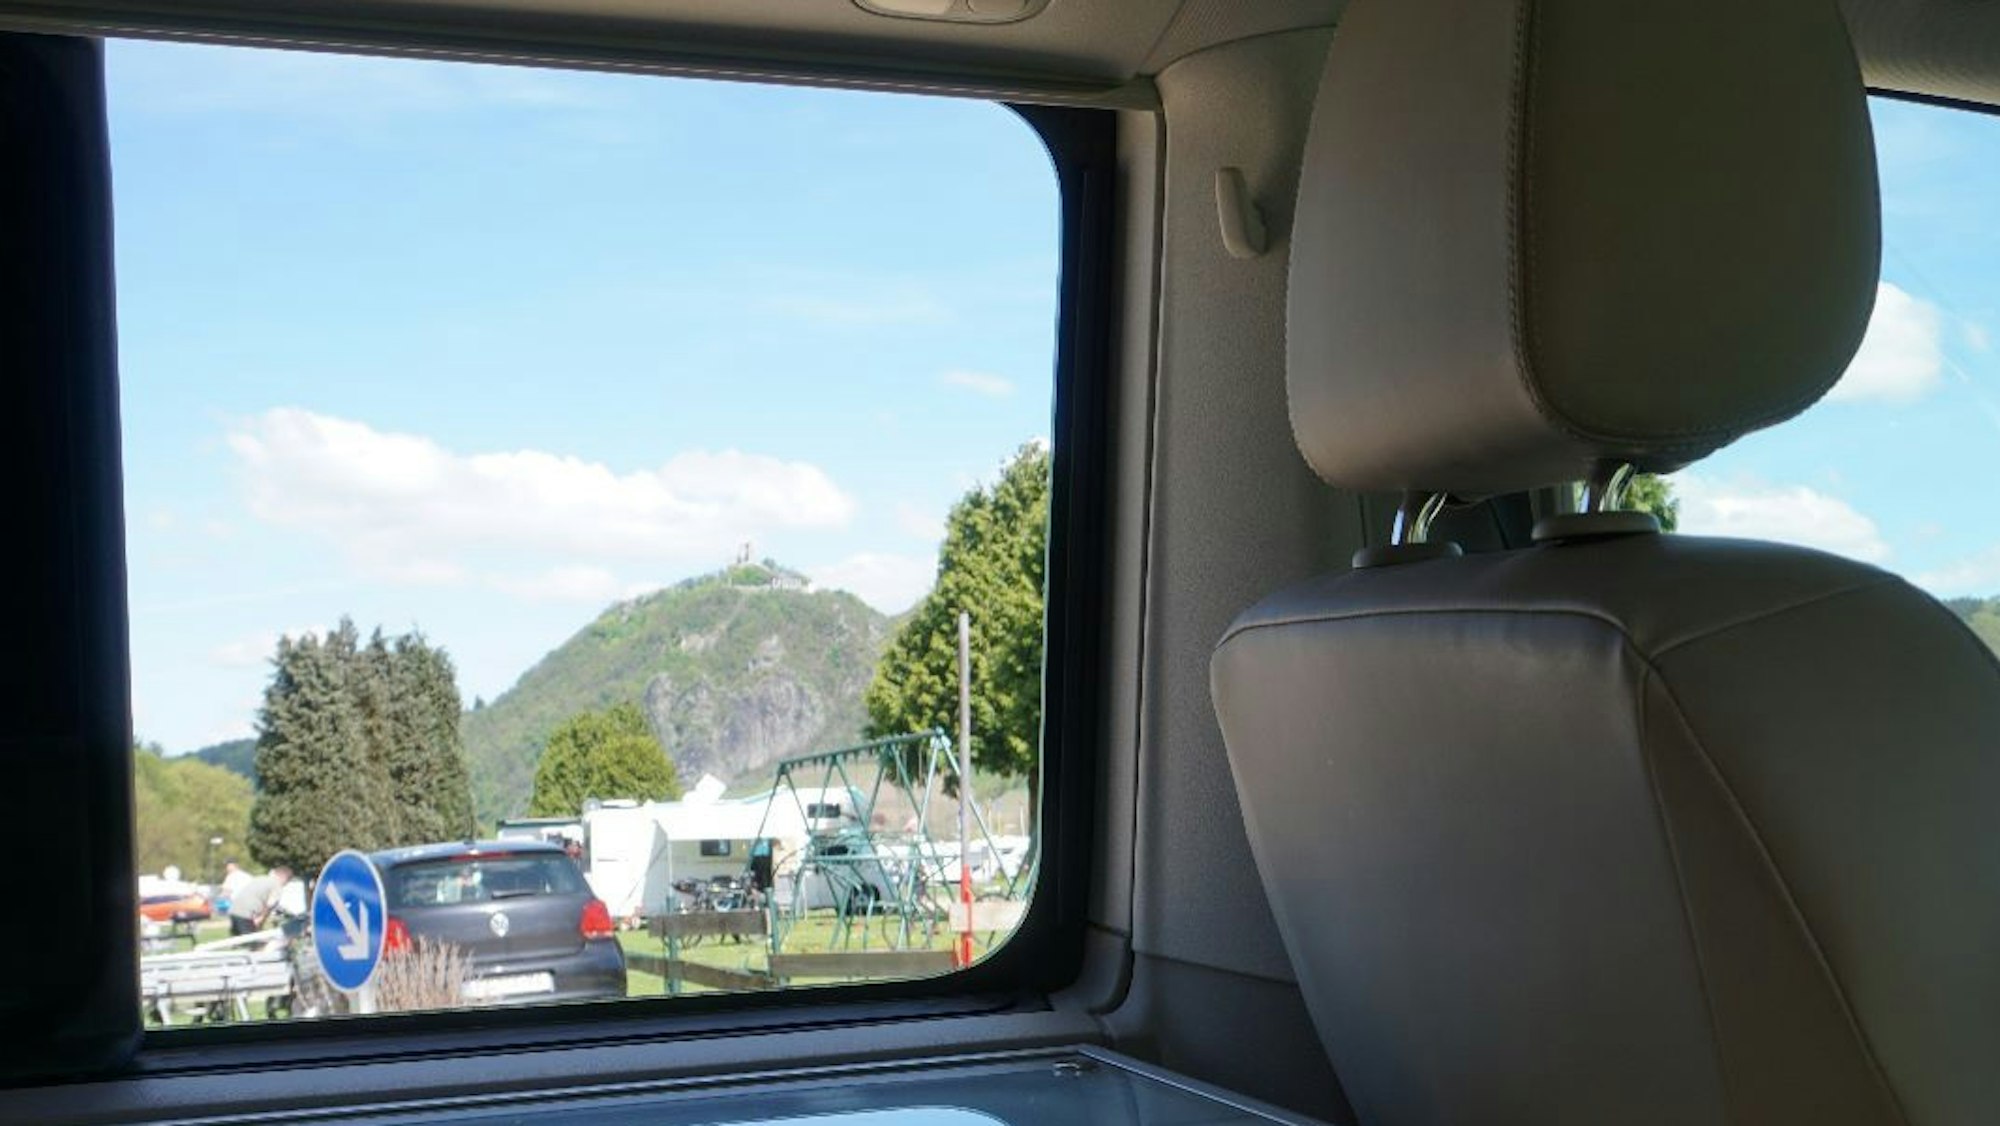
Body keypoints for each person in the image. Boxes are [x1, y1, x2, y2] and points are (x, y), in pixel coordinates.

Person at [226, 865, 293, 936]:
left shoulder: (260, 878)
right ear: (284, 878)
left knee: (237, 941)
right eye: (288, 881)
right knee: (253, 943)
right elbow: (271, 904)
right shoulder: (277, 885)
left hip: (233, 910)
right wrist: (260, 918)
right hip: (247, 915)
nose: (286, 884)